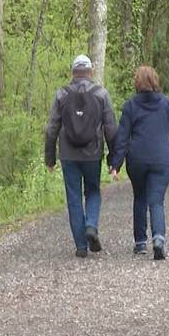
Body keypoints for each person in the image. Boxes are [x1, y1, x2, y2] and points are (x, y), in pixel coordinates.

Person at [45, 55, 118, 258]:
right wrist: (114, 160)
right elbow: (111, 128)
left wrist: (50, 158)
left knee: (74, 197)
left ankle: (80, 246)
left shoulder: (62, 94)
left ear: (73, 72)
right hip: (93, 154)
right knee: (93, 191)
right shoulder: (101, 94)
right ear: (91, 71)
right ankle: (91, 225)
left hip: (68, 155)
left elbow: (51, 128)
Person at [109, 66, 169, 260]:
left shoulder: (130, 106)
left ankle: (140, 242)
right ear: (155, 81)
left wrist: (115, 164)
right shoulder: (167, 104)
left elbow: (122, 137)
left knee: (140, 198)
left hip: (137, 160)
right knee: (156, 200)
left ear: (137, 83)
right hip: (162, 160)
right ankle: (159, 239)